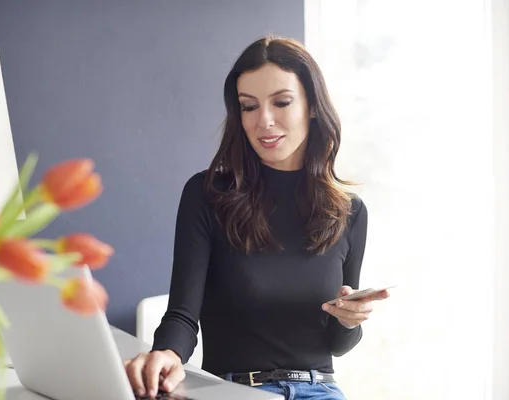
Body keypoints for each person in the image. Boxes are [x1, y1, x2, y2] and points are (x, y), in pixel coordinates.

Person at [124, 35, 390, 400]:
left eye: (281, 102)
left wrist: (348, 321)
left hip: (319, 389)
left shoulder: (349, 212)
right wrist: (166, 352)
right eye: (248, 106)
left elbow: (337, 344)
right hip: (236, 389)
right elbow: (182, 315)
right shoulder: (207, 195)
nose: (264, 121)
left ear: (312, 105)